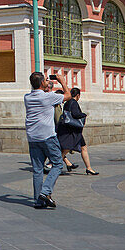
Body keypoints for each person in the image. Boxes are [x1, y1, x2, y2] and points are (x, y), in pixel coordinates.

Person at [24, 71, 71, 209]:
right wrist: (62, 81)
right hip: (47, 136)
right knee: (57, 164)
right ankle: (45, 193)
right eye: (45, 80)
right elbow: (68, 96)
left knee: (38, 169)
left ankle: (38, 199)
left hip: (32, 137)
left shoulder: (27, 97)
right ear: (42, 83)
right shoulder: (49, 97)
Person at [57, 88, 98, 175]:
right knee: (65, 150)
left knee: (83, 147)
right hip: (73, 131)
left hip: (72, 130)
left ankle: (89, 168)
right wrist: (83, 115)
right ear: (78, 95)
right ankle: (54, 166)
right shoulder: (74, 102)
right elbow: (75, 114)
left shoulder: (67, 102)